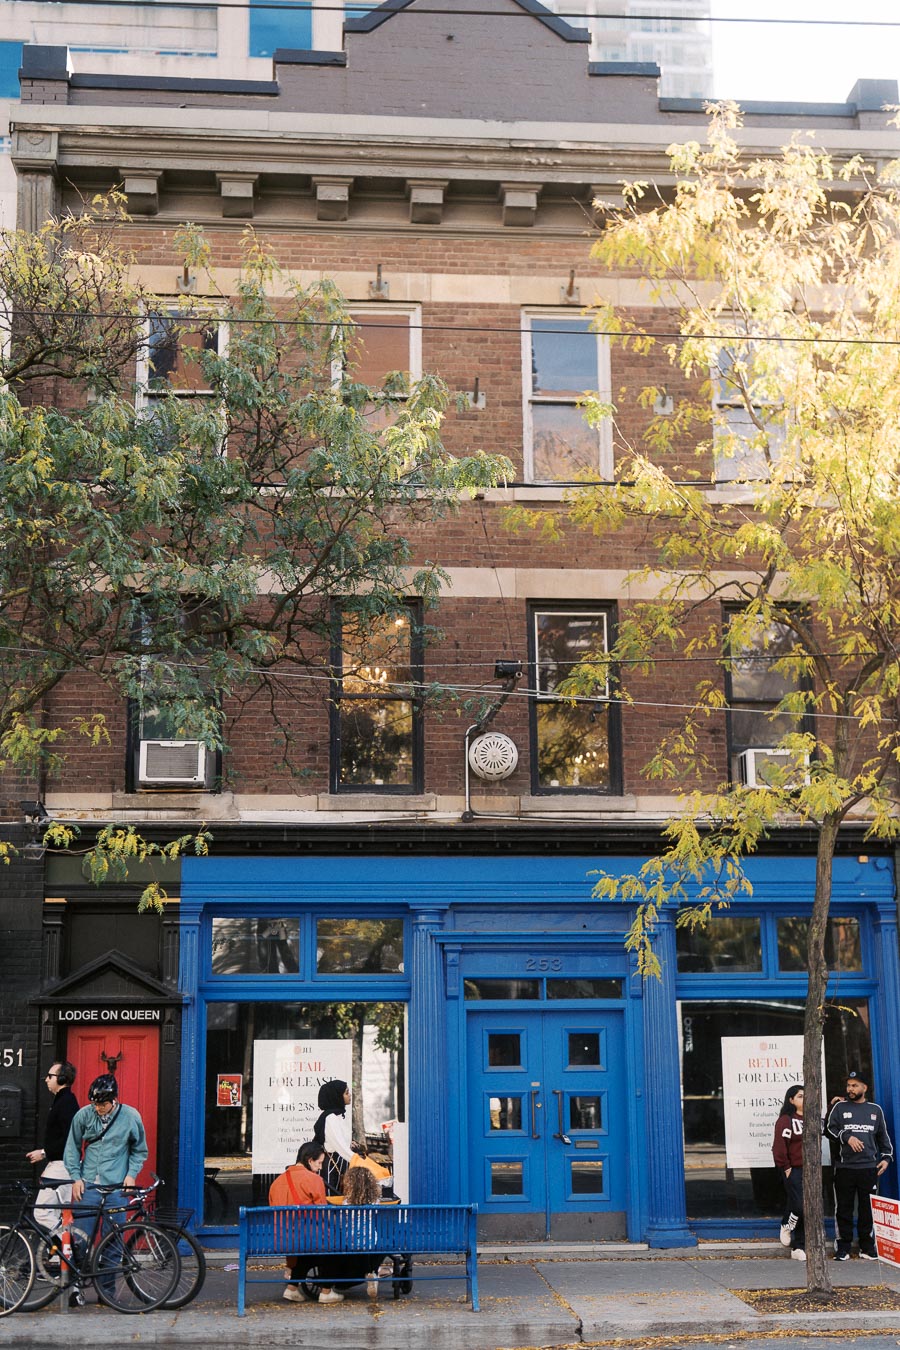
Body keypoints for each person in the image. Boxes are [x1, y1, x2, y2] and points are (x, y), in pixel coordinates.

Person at [826, 1068, 894, 1261]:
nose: (850, 1088)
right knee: (843, 1209)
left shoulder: (875, 1110)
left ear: (865, 1088)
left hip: (869, 1169)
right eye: (848, 1085)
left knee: (867, 1209)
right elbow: (829, 1130)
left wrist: (886, 1158)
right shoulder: (840, 1108)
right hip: (845, 1168)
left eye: (855, 1085)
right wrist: (847, 1137)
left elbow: (884, 1138)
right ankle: (843, 1247)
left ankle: (867, 1246)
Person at [269, 1141, 343, 1305]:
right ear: (310, 1160)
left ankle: (292, 1288)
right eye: (319, 1163)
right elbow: (322, 1213)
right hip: (306, 1237)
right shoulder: (313, 1179)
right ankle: (326, 1291)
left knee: (306, 1244)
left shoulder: (276, 1183)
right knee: (335, 1242)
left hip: (283, 1239)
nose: (320, 1167)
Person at [27, 1061, 78, 1232]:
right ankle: (63, 1246)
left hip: (62, 1166)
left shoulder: (66, 1102)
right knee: (56, 1213)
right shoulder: (62, 1100)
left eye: (50, 1076)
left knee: (42, 1213)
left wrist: (44, 1152)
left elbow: (68, 1139)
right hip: (59, 1164)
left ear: (62, 1079)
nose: (46, 1079)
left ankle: (69, 1241)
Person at [341, 1166, 393, 1300]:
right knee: (383, 1244)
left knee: (359, 1244)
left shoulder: (346, 1202)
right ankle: (372, 1272)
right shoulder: (374, 1201)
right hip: (370, 1240)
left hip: (350, 1241)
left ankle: (371, 1273)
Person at [772, 1084, 806, 1262]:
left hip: (811, 1171)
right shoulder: (786, 1120)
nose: (804, 1099)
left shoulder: (811, 1119)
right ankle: (786, 1223)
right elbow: (779, 1147)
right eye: (800, 1096)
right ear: (791, 1100)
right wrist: (786, 1167)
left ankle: (799, 1246)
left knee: (806, 1208)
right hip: (793, 1169)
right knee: (799, 1206)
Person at [312, 1079, 356, 1196]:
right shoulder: (331, 1118)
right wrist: (360, 1162)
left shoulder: (338, 1116)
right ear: (337, 1097)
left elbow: (338, 1140)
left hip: (340, 1163)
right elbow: (340, 1146)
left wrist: (350, 1143)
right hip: (332, 1165)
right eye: (346, 1093)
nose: (349, 1095)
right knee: (331, 1198)